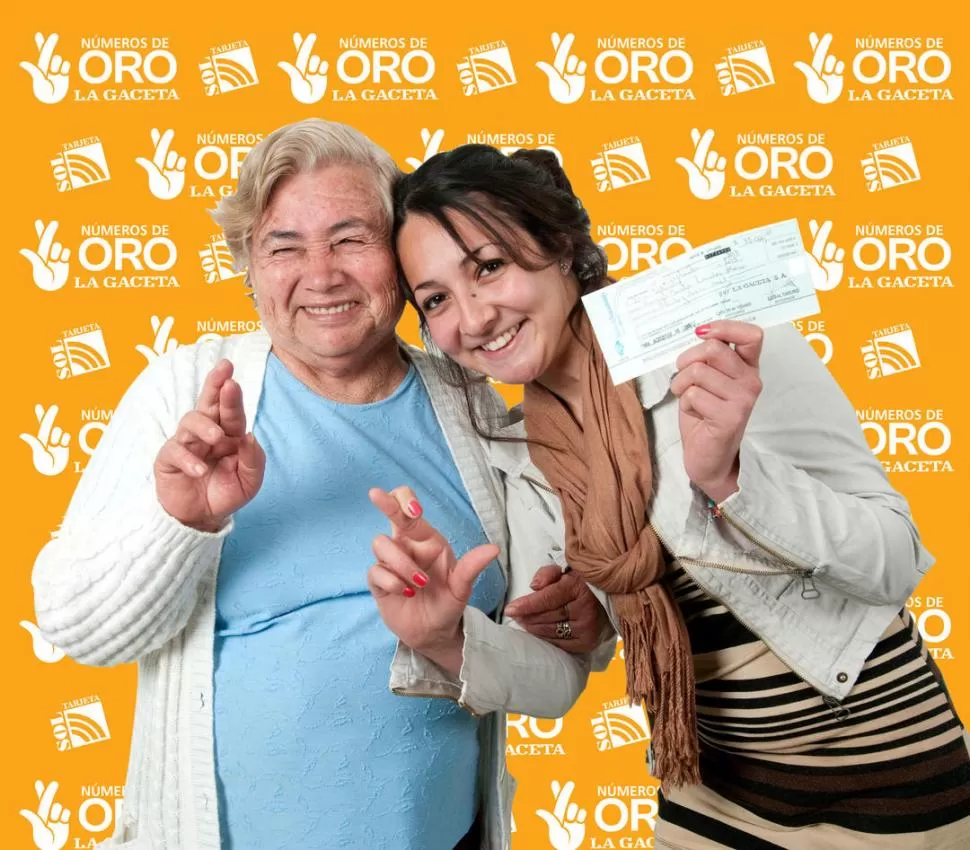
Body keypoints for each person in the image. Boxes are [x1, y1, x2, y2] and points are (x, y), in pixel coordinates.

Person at [29, 120, 612, 850]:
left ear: (399, 261)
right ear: (248, 266)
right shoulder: (184, 392)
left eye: (350, 238)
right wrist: (178, 520)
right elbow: (75, 627)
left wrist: (583, 621)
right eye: (283, 246)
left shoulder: (473, 401)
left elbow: (547, 644)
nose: (322, 273)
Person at [391, 143, 970, 848]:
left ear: (562, 249)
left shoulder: (717, 355)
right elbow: (558, 683)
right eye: (436, 301)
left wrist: (731, 479)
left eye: (489, 266)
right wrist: (447, 637)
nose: (473, 317)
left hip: (887, 781)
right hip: (708, 790)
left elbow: (897, 560)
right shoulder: (524, 457)